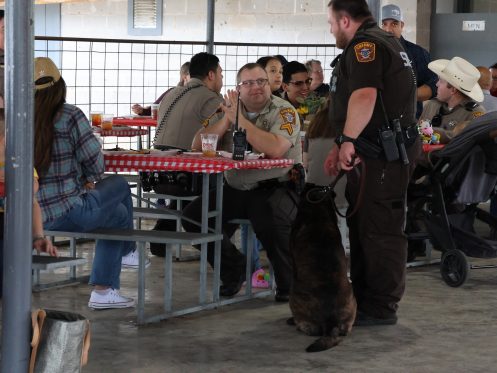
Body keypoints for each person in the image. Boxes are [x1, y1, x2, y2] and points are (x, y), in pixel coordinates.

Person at [324, 0, 421, 326]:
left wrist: (347, 140)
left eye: (331, 23)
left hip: (382, 155)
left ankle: (380, 307)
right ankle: (365, 300)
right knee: (366, 226)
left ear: (345, 20)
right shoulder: (385, 40)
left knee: (380, 230)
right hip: (376, 152)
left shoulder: (366, 46)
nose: (331, 29)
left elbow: (365, 97)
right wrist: (343, 141)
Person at [183, 62, 302, 302]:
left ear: (269, 85)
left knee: (269, 219)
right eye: (248, 83)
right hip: (236, 186)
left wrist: (240, 121)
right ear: (238, 88)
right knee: (193, 216)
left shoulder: (284, 111)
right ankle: (234, 269)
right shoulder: (227, 109)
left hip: (276, 185)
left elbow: (276, 149)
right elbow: (198, 144)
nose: (256, 87)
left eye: (261, 81)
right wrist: (228, 120)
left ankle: (290, 285)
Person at [33, 57, 145, 310]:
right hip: (71, 211)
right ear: (60, 86)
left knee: (117, 214)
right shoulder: (70, 115)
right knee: (118, 184)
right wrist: (87, 179)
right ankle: (126, 255)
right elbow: (96, 163)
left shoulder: (17, 118)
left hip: (32, 216)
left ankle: (105, 290)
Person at [148, 52, 224, 256]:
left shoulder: (171, 93)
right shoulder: (211, 99)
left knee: (186, 194)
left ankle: (161, 238)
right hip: (187, 177)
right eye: (221, 74)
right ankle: (215, 245)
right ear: (211, 75)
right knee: (228, 185)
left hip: (157, 174)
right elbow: (224, 136)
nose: (222, 79)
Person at [0, 111, 58, 298]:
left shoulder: (21, 166)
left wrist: (38, 237)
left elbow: (31, 202)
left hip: (15, 237)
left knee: (14, 290)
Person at [381, 4, 437, 119]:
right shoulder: (372, 52)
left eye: (394, 24)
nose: (388, 29)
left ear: (402, 25)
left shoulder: (417, 53)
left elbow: (433, 85)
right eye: (384, 24)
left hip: (407, 122)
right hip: (377, 121)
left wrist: (406, 95)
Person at [420, 57, 486, 144]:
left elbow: (467, 139)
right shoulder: (431, 105)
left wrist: (431, 133)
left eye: (441, 81)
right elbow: (418, 134)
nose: (436, 84)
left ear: (453, 90)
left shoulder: (475, 113)